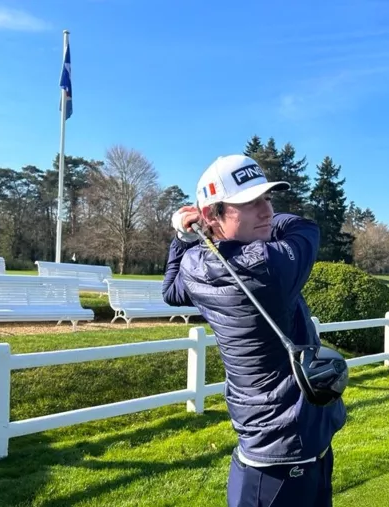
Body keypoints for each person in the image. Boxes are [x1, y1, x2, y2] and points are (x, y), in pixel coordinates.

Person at [162, 154, 346, 507]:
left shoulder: (195, 266)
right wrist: (197, 230)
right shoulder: (270, 265)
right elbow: (305, 227)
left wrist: (183, 237)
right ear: (212, 216)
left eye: (267, 199)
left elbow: (171, 291)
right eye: (249, 203)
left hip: (285, 444)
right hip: (280, 462)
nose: (266, 211)